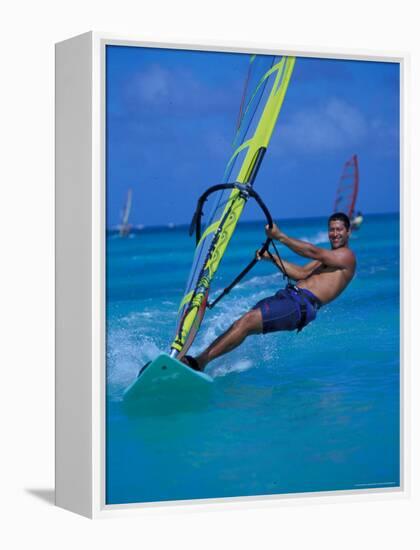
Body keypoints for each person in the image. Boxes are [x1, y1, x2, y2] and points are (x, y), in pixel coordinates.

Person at [182, 212, 356, 372]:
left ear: (348, 232)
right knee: (243, 323)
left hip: (299, 306)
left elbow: (312, 251)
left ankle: (199, 362)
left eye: (339, 229)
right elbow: (301, 274)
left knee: (247, 322)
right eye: (331, 230)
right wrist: (271, 257)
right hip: (290, 298)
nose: (334, 233)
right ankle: (205, 361)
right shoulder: (328, 259)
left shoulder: (346, 256)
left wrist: (280, 237)